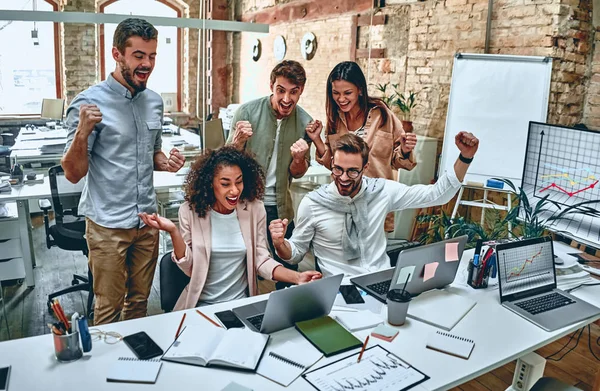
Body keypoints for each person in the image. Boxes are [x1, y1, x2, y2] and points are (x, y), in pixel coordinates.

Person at [62, 18, 186, 325]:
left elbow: (150, 153)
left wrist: (165, 162)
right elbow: (73, 173)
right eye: (139, 56)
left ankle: (132, 364)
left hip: (147, 220)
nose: (147, 64)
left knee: (140, 301)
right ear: (117, 54)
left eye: (152, 56)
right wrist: (82, 132)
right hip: (107, 225)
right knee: (108, 305)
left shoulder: (154, 102)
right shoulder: (88, 103)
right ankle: (103, 370)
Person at [269, 132, 479, 277]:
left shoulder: (381, 192)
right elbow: (295, 252)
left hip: (381, 282)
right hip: (339, 291)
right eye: (338, 169)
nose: (343, 178)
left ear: (365, 167)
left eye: (352, 171)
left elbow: (436, 195)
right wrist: (280, 243)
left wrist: (465, 158)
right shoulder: (313, 204)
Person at [139, 146, 322, 310]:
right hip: (200, 307)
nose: (234, 190)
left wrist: (297, 278)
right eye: (225, 184)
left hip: (241, 305)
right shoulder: (189, 211)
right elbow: (189, 267)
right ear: (210, 183)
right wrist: (174, 232)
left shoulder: (254, 209)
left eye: (239, 181)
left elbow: (261, 260)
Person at [227, 60, 312, 288]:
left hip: (281, 209)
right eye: (281, 90)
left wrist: (298, 158)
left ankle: (285, 316)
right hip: (246, 206)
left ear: (301, 90)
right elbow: (225, 164)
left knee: (289, 269)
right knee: (246, 269)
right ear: (271, 86)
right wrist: (238, 142)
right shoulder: (246, 112)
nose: (287, 99)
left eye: (294, 92)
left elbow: (299, 172)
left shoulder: (305, 122)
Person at [306, 61, 418, 232]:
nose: (341, 99)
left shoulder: (383, 116)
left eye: (347, 93)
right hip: (341, 205)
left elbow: (399, 163)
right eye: (336, 93)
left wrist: (405, 150)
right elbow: (333, 166)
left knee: (372, 257)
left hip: (375, 206)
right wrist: (317, 140)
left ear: (359, 90)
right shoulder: (334, 119)